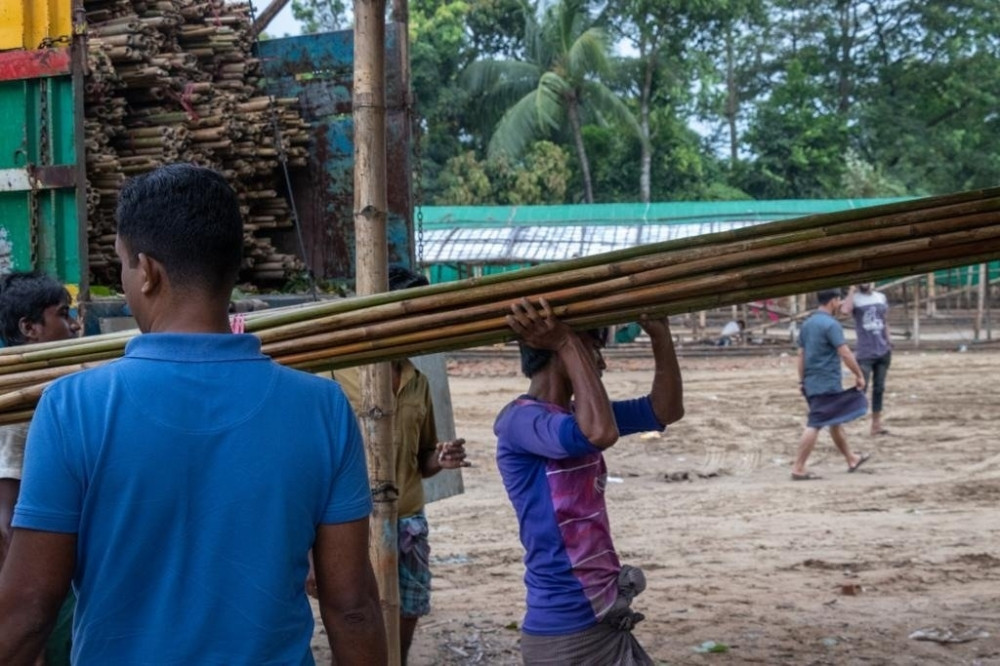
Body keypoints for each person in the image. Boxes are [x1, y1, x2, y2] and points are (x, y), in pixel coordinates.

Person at [0, 164, 387, 665]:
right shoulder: (323, 409)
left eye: (122, 264)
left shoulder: (72, 407)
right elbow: (352, 606)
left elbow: (29, 610)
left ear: (147, 270)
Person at [495, 298, 684, 665]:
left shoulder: (571, 418)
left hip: (601, 617)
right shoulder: (520, 422)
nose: (601, 364)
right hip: (565, 629)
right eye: (593, 350)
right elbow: (599, 433)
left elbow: (665, 409)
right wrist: (567, 341)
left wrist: (661, 336)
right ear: (550, 349)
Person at [330, 265, 469, 665]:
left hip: (409, 521)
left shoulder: (417, 380)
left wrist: (439, 459)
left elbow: (423, 458)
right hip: (355, 525)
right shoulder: (336, 372)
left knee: (402, 632)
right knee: (355, 628)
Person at [0, 271, 81, 665]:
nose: (73, 325)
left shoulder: (55, 390)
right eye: (63, 315)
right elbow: (7, 520)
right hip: (43, 577)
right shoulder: (21, 410)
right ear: (29, 328)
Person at [791, 288, 872, 481]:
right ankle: (798, 467)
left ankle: (851, 458)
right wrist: (859, 374)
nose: (841, 304)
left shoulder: (807, 324)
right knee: (816, 423)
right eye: (839, 300)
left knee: (835, 421)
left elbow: (801, 355)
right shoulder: (831, 325)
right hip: (826, 382)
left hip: (812, 381)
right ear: (833, 301)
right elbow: (845, 353)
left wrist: (802, 380)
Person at [841, 283, 892, 436]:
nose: (865, 284)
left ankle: (876, 424)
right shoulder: (855, 299)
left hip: (883, 351)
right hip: (865, 352)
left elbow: (885, 321)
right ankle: (844, 420)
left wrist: (888, 341)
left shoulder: (880, 297)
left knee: (879, 388)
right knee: (861, 387)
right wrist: (851, 290)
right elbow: (844, 311)